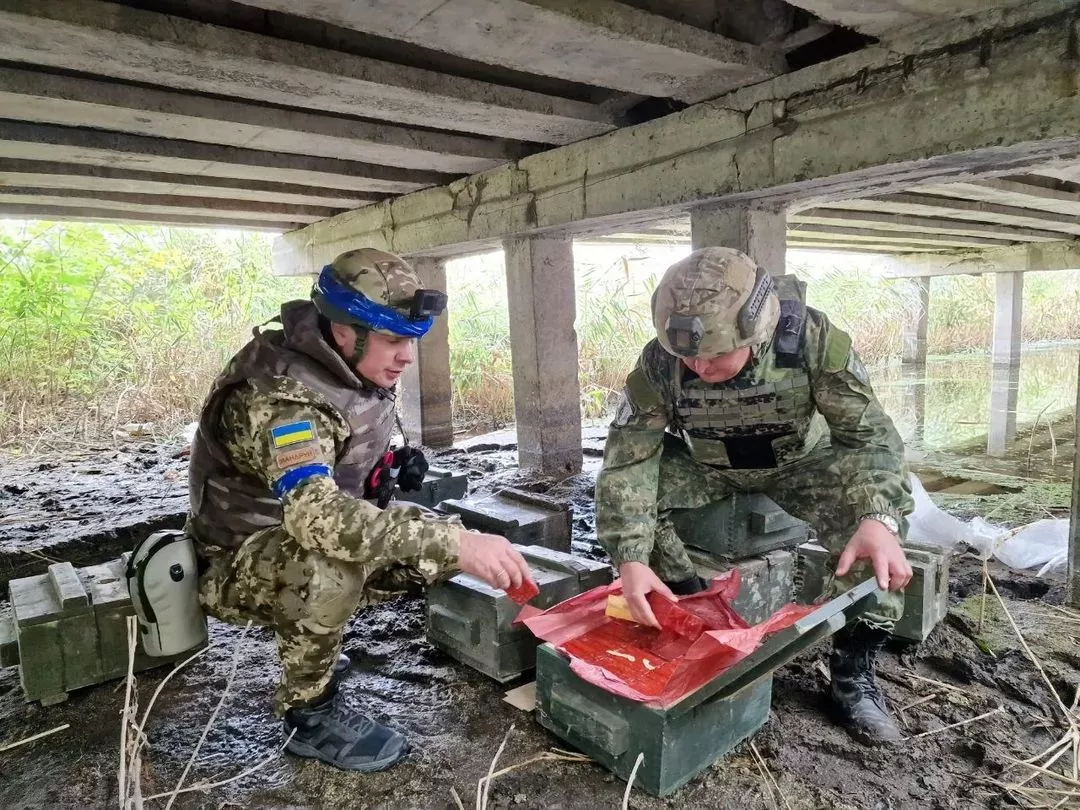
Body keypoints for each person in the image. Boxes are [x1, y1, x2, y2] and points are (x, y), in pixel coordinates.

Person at [187, 248, 535, 772]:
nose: (407, 357)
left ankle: (318, 632)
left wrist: (396, 472)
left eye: (411, 340)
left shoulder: (348, 366)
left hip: (294, 528)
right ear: (345, 331)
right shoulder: (285, 400)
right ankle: (310, 711)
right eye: (394, 340)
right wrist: (455, 544)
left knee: (439, 542)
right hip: (237, 558)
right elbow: (316, 518)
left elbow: (339, 459)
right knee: (332, 567)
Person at [595, 246, 914, 745]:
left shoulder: (809, 339)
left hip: (800, 465)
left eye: (715, 353)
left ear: (756, 329)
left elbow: (869, 437)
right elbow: (629, 458)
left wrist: (879, 517)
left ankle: (853, 675)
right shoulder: (661, 363)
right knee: (633, 506)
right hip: (709, 466)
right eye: (688, 355)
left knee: (879, 531)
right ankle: (686, 603)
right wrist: (629, 557)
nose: (698, 365)